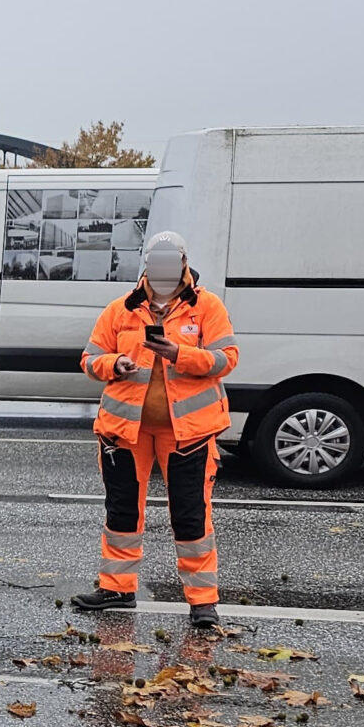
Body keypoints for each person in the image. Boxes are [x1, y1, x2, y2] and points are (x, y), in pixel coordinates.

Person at [70, 230, 239, 629]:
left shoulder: (207, 307)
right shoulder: (121, 309)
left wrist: (180, 354)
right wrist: (115, 365)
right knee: (123, 511)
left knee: (191, 516)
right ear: (147, 265)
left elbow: (226, 359)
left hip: (189, 433)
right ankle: (117, 588)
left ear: (183, 263)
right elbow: (90, 359)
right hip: (125, 431)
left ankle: (202, 601)